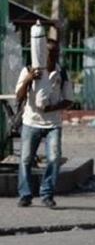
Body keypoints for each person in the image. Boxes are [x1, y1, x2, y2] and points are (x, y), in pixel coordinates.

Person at [15, 38, 74, 208]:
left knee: (54, 158)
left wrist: (52, 108)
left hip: (53, 123)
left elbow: (69, 100)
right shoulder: (28, 70)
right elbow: (19, 97)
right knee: (25, 159)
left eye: (56, 53)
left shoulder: (61, 72)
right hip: (31, 121)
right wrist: (28, 80)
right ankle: (25, 194)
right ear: (42, 52)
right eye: (50, 53)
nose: (54, 56)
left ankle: (47, 193)